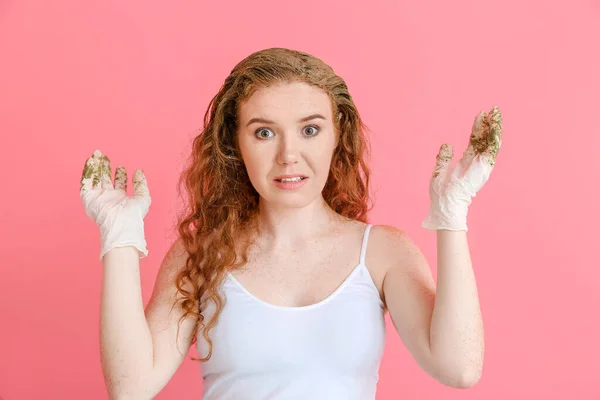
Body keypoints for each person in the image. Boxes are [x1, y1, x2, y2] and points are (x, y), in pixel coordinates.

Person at [80, 47, 502, 400]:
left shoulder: (382, 252)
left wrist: (452, 215)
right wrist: (120, 238)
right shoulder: (202, 252)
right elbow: (130, 387)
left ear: (338, 135)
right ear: (234, 144)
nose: (288, 155)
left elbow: (459, 368)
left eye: (310, 130)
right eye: (264, 133)